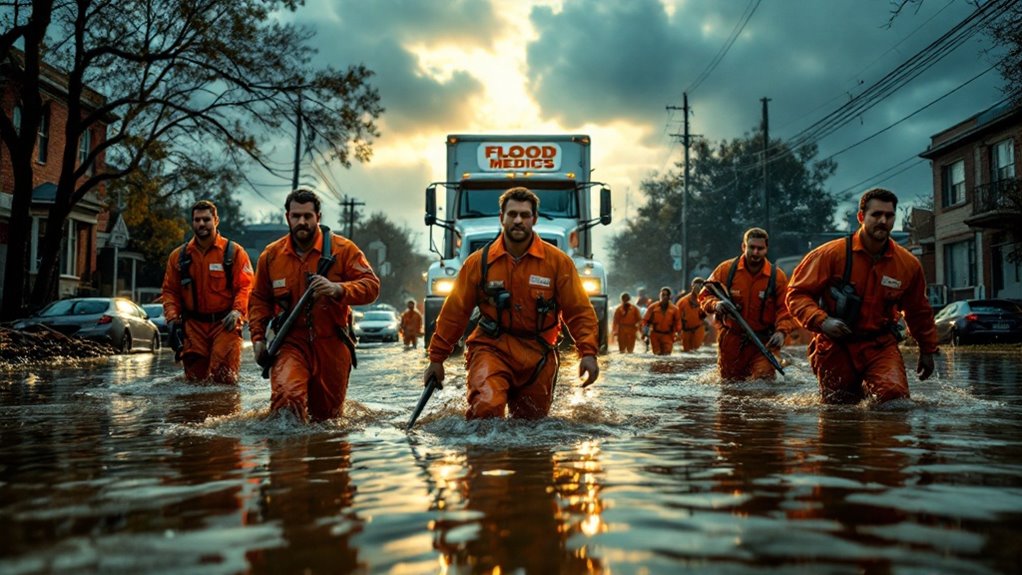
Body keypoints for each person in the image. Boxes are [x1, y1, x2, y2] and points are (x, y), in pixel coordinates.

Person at [422, 186, 599, 420]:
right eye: (512, 214)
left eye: (525, 215)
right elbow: (455, 312)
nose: (518, 220)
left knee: (531, 425)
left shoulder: (558, 263)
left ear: (534, 219)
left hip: (538, 355)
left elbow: (579, 312)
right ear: (501, 218)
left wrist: (588, 353)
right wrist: (436, 359)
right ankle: (483, 456)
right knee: (486, 409)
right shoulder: (478, 263)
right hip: (491, 348)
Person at [786, 188, 937, 404]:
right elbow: (796, 295)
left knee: (894, 399)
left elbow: (918, 310)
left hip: (880, 346)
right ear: (861, 217)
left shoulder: (908, 265)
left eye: (889, 215)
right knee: (838, 409)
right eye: (876, 215)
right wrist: (823, 321)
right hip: (836, 347)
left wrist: (927, 349)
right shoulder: (829, 255)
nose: (883, 221)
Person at [248, 188, 380, 422]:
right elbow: (259, 299)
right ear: (287, 217)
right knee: (287, 401)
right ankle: (287, 456)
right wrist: (258, 338)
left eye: (307, 216)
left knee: (328, 420)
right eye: (296, 216)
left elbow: (371, 286)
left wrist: (338, 289)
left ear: (318, 217)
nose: (302, 222)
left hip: (332, 344)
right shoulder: (271, 255)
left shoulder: (344, 250)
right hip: (290, 342)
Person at [162, 200, 254, 384]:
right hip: (193, 327)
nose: (201, 224)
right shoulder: (179, 257)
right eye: (197, 220)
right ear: (192, 222)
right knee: (195, 380)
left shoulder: (234, 253)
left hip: (225, 325)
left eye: (206, 219)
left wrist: (237, 311)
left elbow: (246, 287)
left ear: (216, 221)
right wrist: (172, 318)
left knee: (223, 378)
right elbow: (170, 291)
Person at [699, 227, 795, 381]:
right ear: (743, 247)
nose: (756, 252)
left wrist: (781, 332)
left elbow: (786, 309)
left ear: (766, 249)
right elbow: (704, 295)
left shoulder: (777, 277)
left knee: (763, 383)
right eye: (752, 247)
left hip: (764, 343)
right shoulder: (725, 270)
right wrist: (716, 304)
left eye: (760, 248)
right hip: (732, 340)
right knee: (730, 386)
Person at [641, 287, 682, 356]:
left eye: (667, 295)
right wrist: (645, 333)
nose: (665, 297)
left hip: (668, 335)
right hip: (655, 335)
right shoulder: (653, 307)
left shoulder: (675, 309)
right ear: (660, 295)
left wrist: (679, 333)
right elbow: (645, 321)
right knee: (657, 354)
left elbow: (678, 322)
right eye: (663, 295)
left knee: (667, 355)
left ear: (669, 297)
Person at [676, 277, 708, 352]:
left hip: (698, 329)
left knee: (696, 350)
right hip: (686, 330)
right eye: (696, 285)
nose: (698, 288)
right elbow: (676, 317)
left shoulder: (706, 300)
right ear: (692, 286)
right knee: (686, 351)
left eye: (700, 286)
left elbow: (708, 314)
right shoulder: (682, 301)